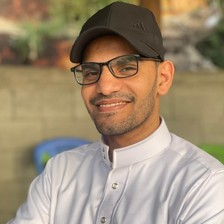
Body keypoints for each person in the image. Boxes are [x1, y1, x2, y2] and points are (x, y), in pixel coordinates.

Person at [8, 2, 224, 224]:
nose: (105, 87)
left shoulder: (204, 184)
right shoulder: (60, 172)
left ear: (163, 78)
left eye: (127, 67)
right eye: (91, 71)